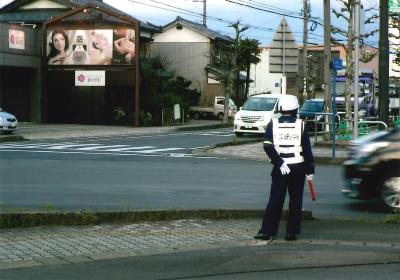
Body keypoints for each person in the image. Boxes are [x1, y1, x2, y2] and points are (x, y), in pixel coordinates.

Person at [254, 94, 314, 242]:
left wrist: (280, 163)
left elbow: (267, 146)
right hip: (298, 166)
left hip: (281, 168)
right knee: (295, 200)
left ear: (281, 109)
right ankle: (291, 233)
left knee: (275, 199)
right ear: (295, 109)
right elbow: (307, 150)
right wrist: (310, 170)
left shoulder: (273, 124)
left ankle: (266, 232)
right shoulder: (301, 125)